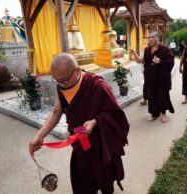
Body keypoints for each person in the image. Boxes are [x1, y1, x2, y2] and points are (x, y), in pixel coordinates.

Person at [29, 53, 129, 194]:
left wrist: (95, 122)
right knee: (82, 182)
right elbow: (56, 112)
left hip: (100, 144)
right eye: (57, 81)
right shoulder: (61, 87)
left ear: (77, 70)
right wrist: (40, 135)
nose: (61, 85)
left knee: (105, 178)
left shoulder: (98, 86)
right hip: (80, 144)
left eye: (64, 80)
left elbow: (117, 116)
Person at [130, 31, 175, 123]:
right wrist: (135, 54)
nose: (150, 39)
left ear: (157, 38)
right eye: (149, 37)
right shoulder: (147, 49)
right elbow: (140, 61)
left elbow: (171, 61)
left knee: (161, 95)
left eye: (152, 37)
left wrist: (161, 61)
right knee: (152, 96)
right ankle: (154, 114)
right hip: (150, 77)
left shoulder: (165, 49)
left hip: (161, 77)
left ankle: (163, 114)